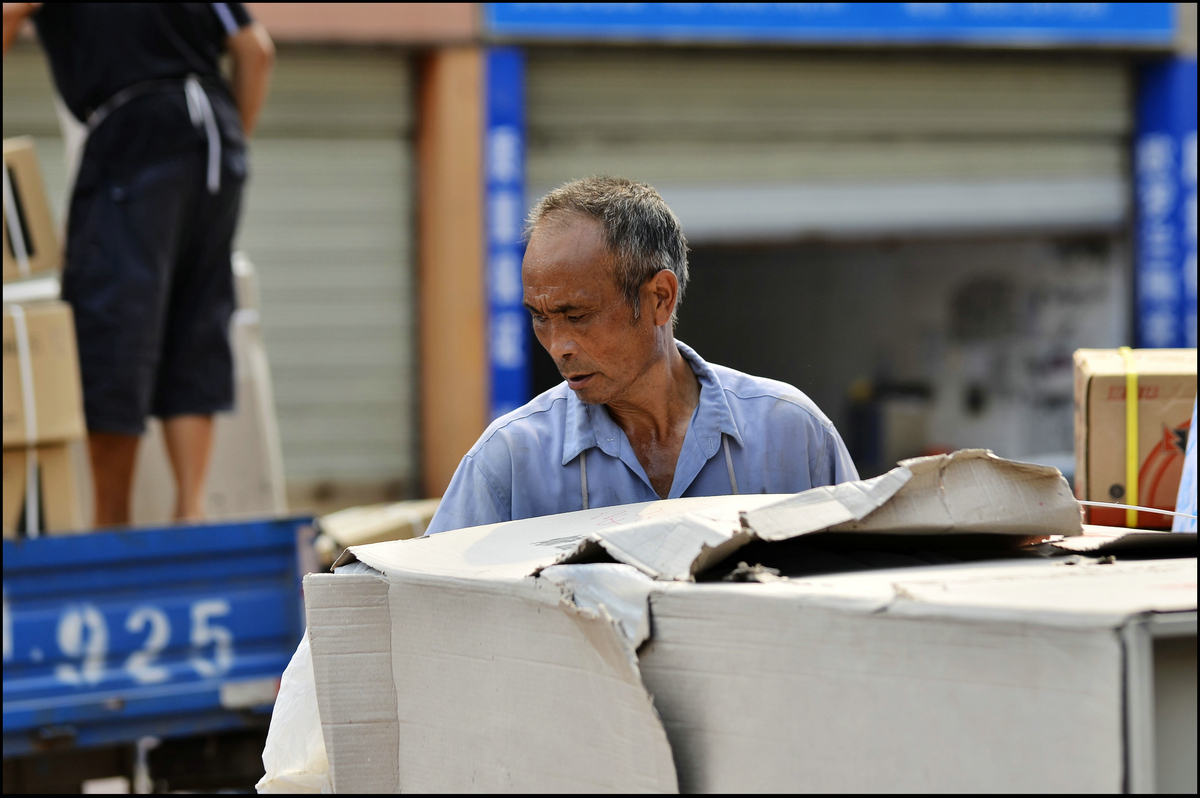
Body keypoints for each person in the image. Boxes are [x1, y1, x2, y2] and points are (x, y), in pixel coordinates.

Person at [427, 176, 858, 535]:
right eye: (540, 318)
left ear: (660, 298)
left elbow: (866, 579)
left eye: (577, 316)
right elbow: (432, 597)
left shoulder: (793, 435)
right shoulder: (508, 462)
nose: (557, 346)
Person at [2, 3, 274, 525]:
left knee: (112, 323)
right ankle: (190, 512)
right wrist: (231, 144)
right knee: (195, 319)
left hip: (136, 130)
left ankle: (112, 523)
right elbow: (255, 51)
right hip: (216, 137)